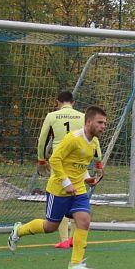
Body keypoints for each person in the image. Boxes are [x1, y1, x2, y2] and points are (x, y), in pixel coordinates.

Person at [8, 106, 107, 269]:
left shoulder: (95, 142)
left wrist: (87, 178)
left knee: (84, 221)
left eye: (104, 123)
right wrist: (66, 183)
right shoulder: (73, 139)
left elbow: (80, 165)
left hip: (79, 190)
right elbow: (54, 159)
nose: (103, 126)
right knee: (50, 227)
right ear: (88, 122)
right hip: (58, 190)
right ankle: (19, 230)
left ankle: (75, 264)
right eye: (100, 122)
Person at [36, 90, 85, 249]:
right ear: (73, 103)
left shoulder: (52, 116)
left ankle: (64, 239)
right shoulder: (82, 116)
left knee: (59, 196)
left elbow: (42, 140)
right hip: (77, 162)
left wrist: (41, 159)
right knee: (77, 198)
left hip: (59, 162)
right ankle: (74, 239)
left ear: (57, 102)